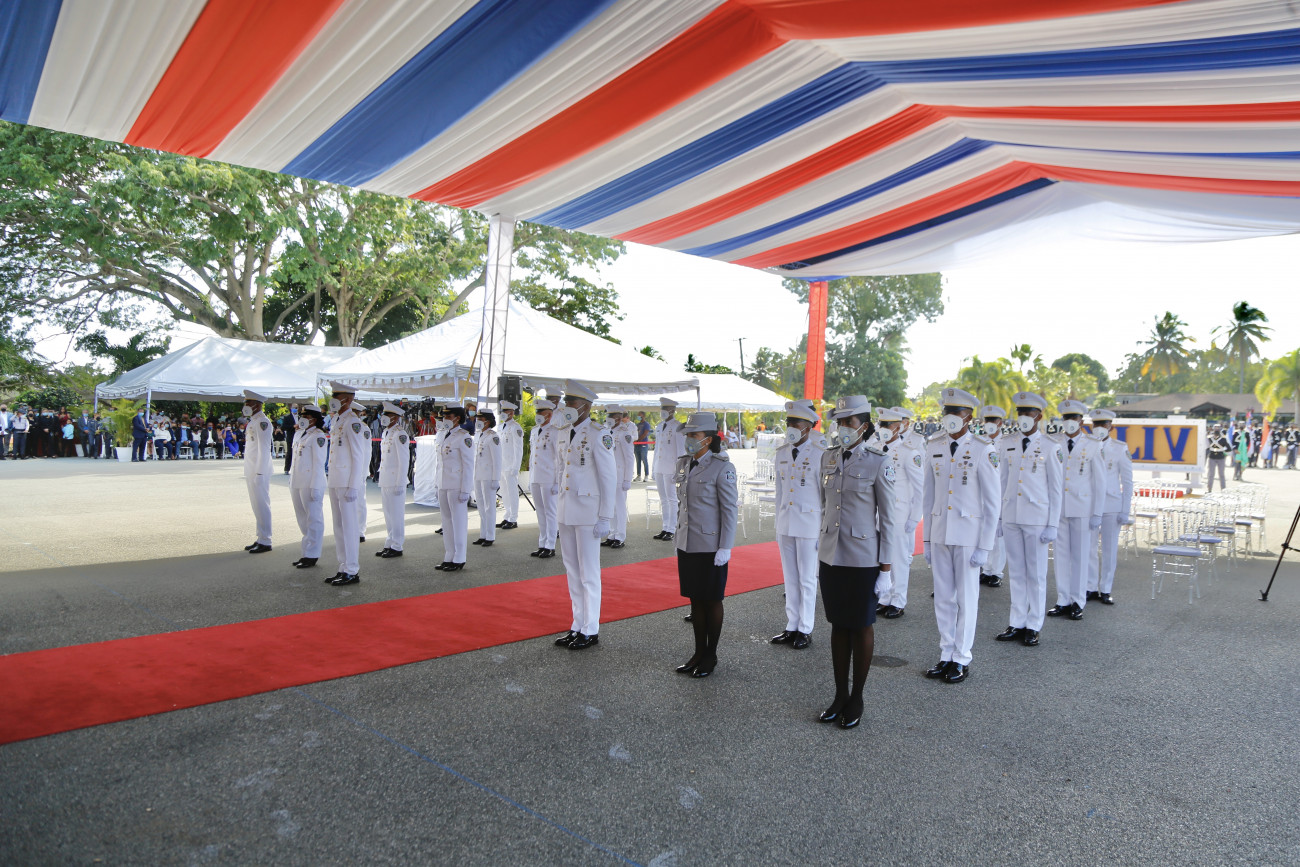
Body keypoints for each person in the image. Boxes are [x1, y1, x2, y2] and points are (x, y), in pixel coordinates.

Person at [816, 395, 898, 728]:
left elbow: (889, 519)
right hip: (831, 557)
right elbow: (825, 506)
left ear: (864, 426)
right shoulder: (828, 457)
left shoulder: (879, 462)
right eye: (839, 422)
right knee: (838, 625)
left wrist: (886, 569)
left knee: (861, 626)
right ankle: (840, 695)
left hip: (864, 560)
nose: (842, 428)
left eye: (848, 422)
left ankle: (857, 698)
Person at [921, 387, 999, 684]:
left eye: (956, 412)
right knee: (943, 598)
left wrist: (985, 546)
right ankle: (945, 653)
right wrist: (927, 540)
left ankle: (961, 657)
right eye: (946, 412)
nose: (950, 417)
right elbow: (928, 497)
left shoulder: (982, 449)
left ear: (968, 416)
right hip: (941, 532)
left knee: (967, 599)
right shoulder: (934, 445)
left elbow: (992, 503)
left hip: (968, 535)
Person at [993, 392, 1063, 647]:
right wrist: (999, 517)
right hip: (1012, 514)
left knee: (1036, 574)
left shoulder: (1051, 446)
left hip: (1036, 518)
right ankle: (1017, 621)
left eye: (1029, 412)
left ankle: (1033, 624)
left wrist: (1052, 523)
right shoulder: (1007, 442)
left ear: (1039, 416)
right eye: (1020, 412)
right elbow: (1002, 482)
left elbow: (1056, 489)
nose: (1024, 417)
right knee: (1016, 572)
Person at [673, 412, 739, 678]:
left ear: (708, 439)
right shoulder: (684, 463)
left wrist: (726, 547)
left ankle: (711, 655)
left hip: (711, 546)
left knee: (711, 601)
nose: (689, 439)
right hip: (688, 542)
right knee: (695, 601)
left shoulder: (722, 467)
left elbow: (729, 510)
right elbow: (682, 505)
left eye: (694, 434)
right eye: (687, 434)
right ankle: (698, 652)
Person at [552, 380, 616, 651]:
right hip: (567, 509)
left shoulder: (599, 434)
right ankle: (577, 624)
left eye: (572, 403)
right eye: (566, 402)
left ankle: (591, 629)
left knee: (588, 573)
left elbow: (608, 477)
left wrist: (605, 517)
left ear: (586, 407)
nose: (566, 406)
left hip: (589, 512)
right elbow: (561, 470)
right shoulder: (564, 431)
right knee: (572, 571)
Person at [771, 399, 825, 649]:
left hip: (810, 524)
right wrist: (778, 524)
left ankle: (805, 628)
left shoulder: (820, 453)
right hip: (786, 523)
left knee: (807, 579)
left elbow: (825, 496)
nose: (791, 426)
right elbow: (779, 493)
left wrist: (823, 530)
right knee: (790, 578)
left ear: (809, 426)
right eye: (789, 422)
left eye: (796, 422)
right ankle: (791, 625)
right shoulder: (781, 452)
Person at [1047, 400, 1106, 621]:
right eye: (1066, 418)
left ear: (1081, 421)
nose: (1070, 422)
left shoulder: (1093, 444)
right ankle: (1063, 599)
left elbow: (1100, 482)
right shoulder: (1054, 442)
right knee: (1060, 556)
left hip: (1082, 507)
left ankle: (1078, 601)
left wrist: (1097, 512)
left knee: (1080, 557)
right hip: (1059, 507)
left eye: (1074, 418)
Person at [874, 406, 923, 619]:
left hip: (899, 513)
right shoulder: (875, 448)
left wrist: (914, 517)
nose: (884, 428)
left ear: (898, 427)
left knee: (899, 559)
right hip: (877, 513)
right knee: (883, 557)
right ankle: (884, 598)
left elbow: (920, 488)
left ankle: (898, 600)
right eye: (881, 424)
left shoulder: (908, 453)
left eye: (888, 425)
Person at [1086, 409, 1133, 606]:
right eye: (1096, 424)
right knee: (1089, 548)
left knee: (1109, 549)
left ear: (1110, 427)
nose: (1099, 428)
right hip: (1089, 505)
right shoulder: (1086, 445)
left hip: (1111, 504)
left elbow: (1128, 481)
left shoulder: (1120, 448)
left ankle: (1105, 589)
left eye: (1103, 424)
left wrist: (1125, 510)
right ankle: (1090, 587)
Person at [325, 382, 370, 586]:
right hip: (336, 478)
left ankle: (352, 569)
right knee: (338, 526)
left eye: (338, 396)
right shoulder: (337, 420)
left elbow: (358, 456)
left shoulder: (353, 422)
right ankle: (342, 567)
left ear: (348, 399)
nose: (334, 399)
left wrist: (354, 485)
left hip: (346, 481)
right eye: (333, 395)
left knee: (350, 526)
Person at [435, 405, 475, 572]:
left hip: (456, 485)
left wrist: (466, 489)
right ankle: (449, 555)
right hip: (443, 484)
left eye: (448, 416)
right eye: (444, 416)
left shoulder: (463, 437)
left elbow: (468, 465)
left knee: (458, 522)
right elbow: (439, 463)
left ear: (457, 418)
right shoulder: (443, 435)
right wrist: (436, 484)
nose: (444, 419)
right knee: (446, 522)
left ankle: (459, 558)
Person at [289, 406, 328, 569]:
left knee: (314, 518)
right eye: (301, 415)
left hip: (310, 483)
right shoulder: (299, 434)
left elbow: (319, 463)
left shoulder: (318, 436)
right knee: (302, 518)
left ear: (314, 419)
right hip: (297, 480)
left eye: (306, 416)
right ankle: (306, 552)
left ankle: (312, 554)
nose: (302, 418)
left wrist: (316, 486)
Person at [372, 402, 411, 559]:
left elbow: (404, 460)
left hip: (395, 480)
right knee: (388, 514)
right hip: (386, 478)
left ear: (396, 417)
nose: (384, 417)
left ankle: (397, 545)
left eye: (388, 415)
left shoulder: (400, 434)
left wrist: (401, 481)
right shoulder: (386, 432)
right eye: (384, 414)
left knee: (396, 515)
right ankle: (389, 542)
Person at [240, 391, 274, 554]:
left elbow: (265, 449)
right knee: (256, 505)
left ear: (258, 405)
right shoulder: (253, 421)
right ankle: (261, 537)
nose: (246, 406)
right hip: (252, 469)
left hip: (259, 470)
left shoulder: (263, 422)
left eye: (249, 403)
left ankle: (266, 540)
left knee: (262, 504)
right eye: (246, 403)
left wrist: (260, 473)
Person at [977, 405, 1008, 588]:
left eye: (993, 420)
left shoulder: (1006, 443)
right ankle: (986, 569)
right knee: (984, 531)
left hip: (1001, 493)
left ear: (1000, 423)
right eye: (987, 420)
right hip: (981, 494)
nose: (989, 423)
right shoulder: (979, 442)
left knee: (998, 535)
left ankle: (996, 572)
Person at [528, 399, 560, 559]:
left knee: (550, 512)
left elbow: (559, 459)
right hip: (536, 476)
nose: (538, 415)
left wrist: (557, 482)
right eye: (537, 412)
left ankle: (550, 545)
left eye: (541, 412)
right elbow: (532, 457)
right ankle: (542, 543)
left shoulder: (555, 432)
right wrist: (530, 477)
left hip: (549, 477)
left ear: (549, 415)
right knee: (540, 512)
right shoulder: (535, 431)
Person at [652, 397, 686, 541]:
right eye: (662, 409)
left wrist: (679, 471)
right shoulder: (660, 426)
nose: (663, 411)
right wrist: (653, 468)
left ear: (672, 411)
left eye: (666, 409)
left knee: (672, 499)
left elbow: (681, 451)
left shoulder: (678, 427)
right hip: (660, 467)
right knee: (663, 499)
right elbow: (656, 449)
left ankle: (672, 528)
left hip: (671, 468)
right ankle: (665, 527)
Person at [603, 406, 635, 550]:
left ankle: (620, 536)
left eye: (612, 416)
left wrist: (627, 479)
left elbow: (629, 457)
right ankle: (612, 534)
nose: (609, 418)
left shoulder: (625, 433)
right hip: (607, 474)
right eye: (608, 416)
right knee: (610, 506)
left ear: (618, 418)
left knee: (620, 507)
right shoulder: (606, 431)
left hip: (619, 475)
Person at [473, 409, 502, 547]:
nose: (477, 421)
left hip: (489, 476)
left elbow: (497, 460)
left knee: (489, 506)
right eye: (477, 419)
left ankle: (490, 536)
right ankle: (483, 534)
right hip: (478, 474)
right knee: (480, 505)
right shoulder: (479, 435)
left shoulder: (493, 437)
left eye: (480, 419)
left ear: (488, 421)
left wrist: (496, 479)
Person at [496, 400, 524, 531]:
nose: (503, 413)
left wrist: (516, 467)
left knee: (512, 492)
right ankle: (507, 515)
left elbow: (518, 449)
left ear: (511, 413)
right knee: (504, 492)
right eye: (502, 411)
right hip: (502, 465)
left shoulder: (515, 427)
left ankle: (513, 518)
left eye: (506, 411)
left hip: (510, 465)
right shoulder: (500, 427)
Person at [1206, 424, 1230, 491]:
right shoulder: (1209, 438)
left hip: (1220, 457)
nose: (1217, 429)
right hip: (1212, 457)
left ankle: (1223, 489)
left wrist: (1223, 449)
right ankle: (1209, 489)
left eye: (1218, 428)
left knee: (1221, 474)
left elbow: (1229, 448)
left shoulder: (1223, 439)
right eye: (1215, 428)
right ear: (1213, 429)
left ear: (1220, 429)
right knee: (1211, 474)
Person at [634, 412, 651, 481]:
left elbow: (645, 434)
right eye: (638, 416)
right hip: (637, 445)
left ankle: (646, 475)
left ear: (643, 416)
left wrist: (638, 440)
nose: (638, 417)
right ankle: (639, 475)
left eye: (639, 416)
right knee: (638, 461)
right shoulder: (637, 425)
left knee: (644, 460)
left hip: (643, 444)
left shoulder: (646, 424)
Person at [282, 403, 299, 474]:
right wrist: (293, 426)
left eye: (296, 408)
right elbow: (283, 427)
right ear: (291, 408)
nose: (295, 409)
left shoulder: (300, 418)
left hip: (299, 437)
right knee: (290, 453)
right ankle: (287, 469)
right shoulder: (287, 417)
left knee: (299, 453)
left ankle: (297, 469)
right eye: (294, 407)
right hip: (291, 437)